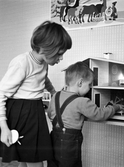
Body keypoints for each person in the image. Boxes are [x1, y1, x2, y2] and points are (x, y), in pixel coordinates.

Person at [0, 20, 72, 167]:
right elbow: (1, 93)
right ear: (45, 48)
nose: (61, 58)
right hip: (20, 112)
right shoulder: (22, 63)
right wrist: (4, 127)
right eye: (59, 54)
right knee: (34, 159)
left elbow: (43, 78)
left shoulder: (44, 63)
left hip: (35, 111)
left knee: (27, 156)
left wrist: (54, 92)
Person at [47, 61, 124, 167]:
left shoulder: (56, 95)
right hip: (69, 144)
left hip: (53, 138)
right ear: (80, 83)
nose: (90, 88)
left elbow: (49, 113)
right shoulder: (82, 101)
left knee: (53, 164)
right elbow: (99, 114)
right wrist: (114, 108)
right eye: (89, 85)